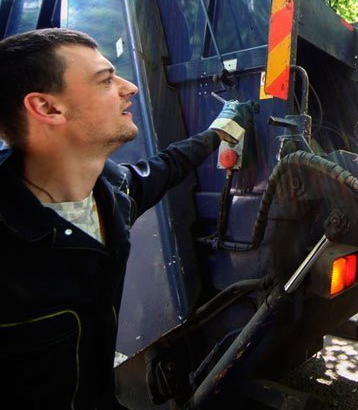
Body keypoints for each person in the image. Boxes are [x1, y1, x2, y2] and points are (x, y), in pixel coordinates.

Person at [0, 28, 252, 409]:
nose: (129, 87)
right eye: (105, 80)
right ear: (48, 108)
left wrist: (218, 132)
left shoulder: (115, 194)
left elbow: (169, 165)